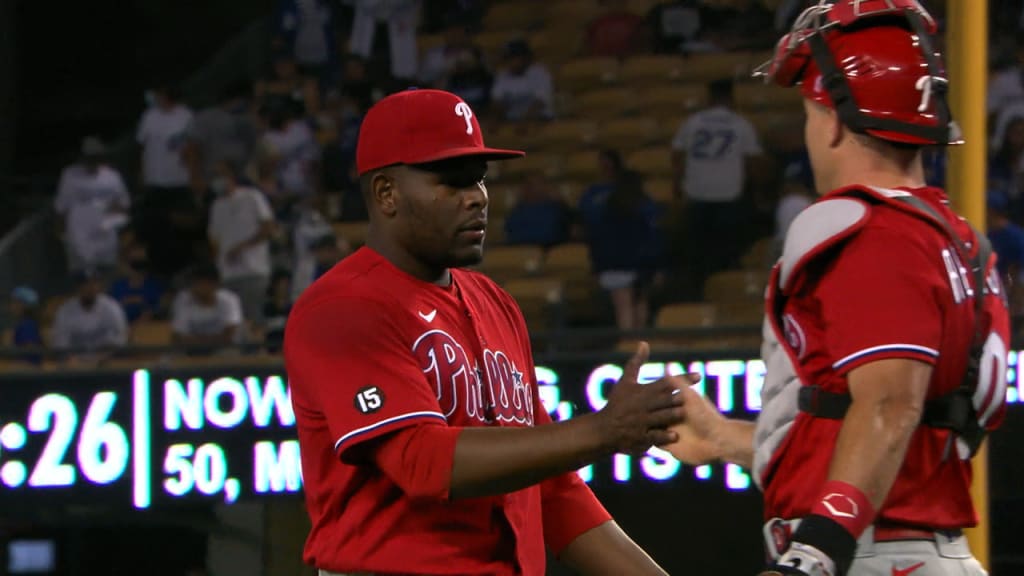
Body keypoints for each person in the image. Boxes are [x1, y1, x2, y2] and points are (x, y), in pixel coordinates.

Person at [284, 88, 690, 576]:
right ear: (386, 193)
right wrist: (602, 431)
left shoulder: (495, 303)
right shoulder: (342, 307)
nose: (476, 197)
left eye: (479, 179)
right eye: (451, 181)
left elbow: (553, 490)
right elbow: (419, 460)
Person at [666, 3, 1009, 576]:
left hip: (868, 555)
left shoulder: (869, 227)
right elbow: (879, 425)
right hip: (915, 549)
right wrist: (725, 437)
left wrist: (817, 552)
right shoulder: (958, 241)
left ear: (831, 117)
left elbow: (890, 404)